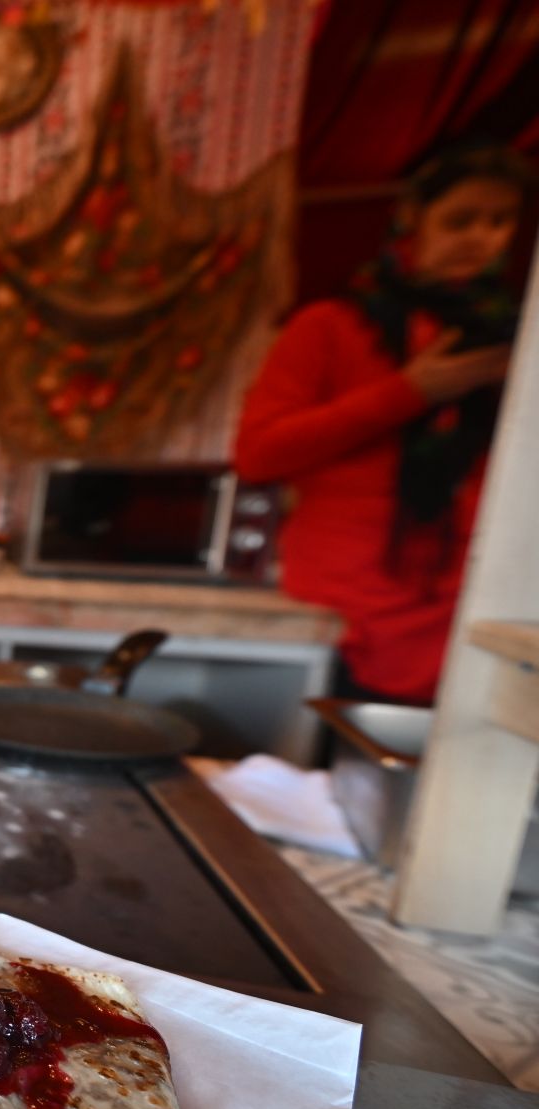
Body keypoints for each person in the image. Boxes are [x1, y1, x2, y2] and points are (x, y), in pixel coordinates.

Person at [236, 142, 532, 705]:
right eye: (460, 220)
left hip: (470, 600)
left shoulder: (514, 335)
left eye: (501, 221)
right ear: (413, 218)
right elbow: (258, 455)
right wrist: (412, 392)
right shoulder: (331, 326)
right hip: (349, 603)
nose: (481, 238)